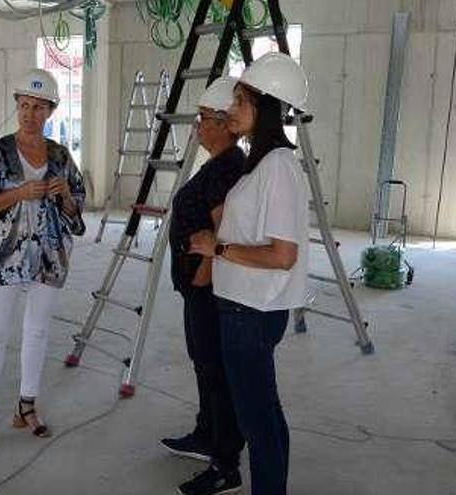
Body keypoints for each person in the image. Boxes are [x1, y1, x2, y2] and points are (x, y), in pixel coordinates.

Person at [190, 52, 310, 495]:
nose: (231, 109)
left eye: (241, 101)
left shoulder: (277, 167)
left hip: (250, 312)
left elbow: (282, 255)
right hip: (246, 307)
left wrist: (216, 247)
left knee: (257, 420)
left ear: (268, 108)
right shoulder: (264, 163)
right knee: (264, 413)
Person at [0, 68, 86, 453]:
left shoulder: (62, 156)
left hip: (48, 259)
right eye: (24, 105)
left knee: (37, 332)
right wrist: (19, 193)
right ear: (17, 106)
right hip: (4, 259)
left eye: (38, 107)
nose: (30, 114)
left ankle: (26, 405)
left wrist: (64, 194)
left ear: (50, 111)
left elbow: (76, 213)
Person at [161, 76, 247, 495]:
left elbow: (220, 234)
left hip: (208, 289)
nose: (197, 125)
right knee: (204, 364)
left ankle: (225, 461)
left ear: (224, 124)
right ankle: (206, 434)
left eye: (203, 119)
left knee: (216, 371)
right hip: (197, 286)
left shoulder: (228, 168)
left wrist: (199, 281)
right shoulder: (218, 164)